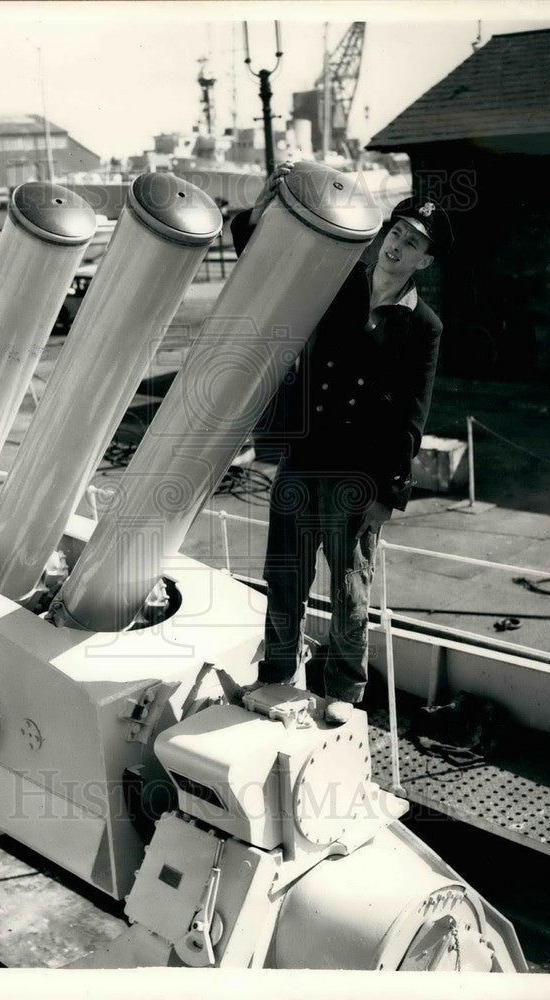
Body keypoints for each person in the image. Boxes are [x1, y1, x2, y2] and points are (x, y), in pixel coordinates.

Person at [231, 162, 453, 725]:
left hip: (359, 476)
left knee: (351, 595)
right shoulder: (337, 281)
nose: (398, 246)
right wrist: (263, 211)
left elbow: (411, 415)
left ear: (426, 262)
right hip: (305, 460)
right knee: (285, 578)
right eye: (397, 232)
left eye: (414, 244)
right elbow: (269, 266)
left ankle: (344, 694)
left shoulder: (423, 327)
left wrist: (389, 493)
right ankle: (278, 676)